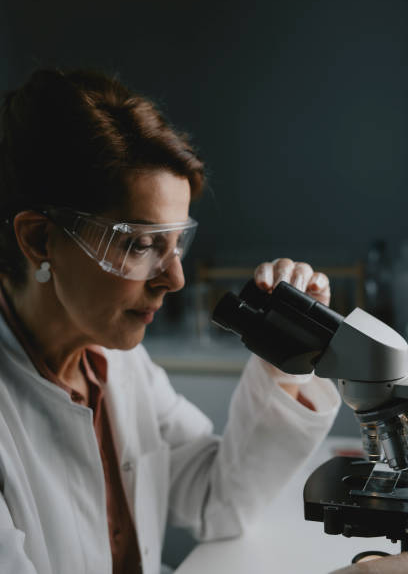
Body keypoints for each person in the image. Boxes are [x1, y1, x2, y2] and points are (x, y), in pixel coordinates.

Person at [0, 68, 340, 574]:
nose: (175, 278)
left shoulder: (117, 363)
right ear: (39, 241)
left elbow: (217, 498)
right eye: (140, 243)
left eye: (176, 242)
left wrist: (283, 357)